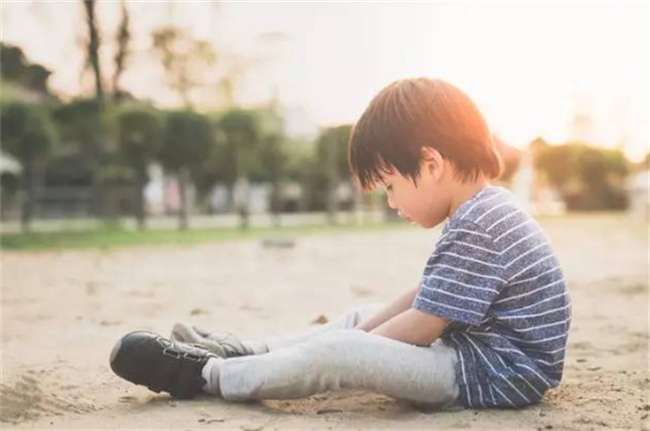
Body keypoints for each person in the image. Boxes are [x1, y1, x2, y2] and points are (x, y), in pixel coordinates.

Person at [110, 78, 571, 410]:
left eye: (390, 185)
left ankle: (207, 375)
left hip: (489, 375)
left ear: (430, 164)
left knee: (342, 350)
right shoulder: (483, 209)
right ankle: (247, 351)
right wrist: (360, 331)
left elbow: (425, 324)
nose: (391, 202)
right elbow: (427, 295)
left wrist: (354, 349)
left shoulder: (482, 221)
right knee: (355, 322)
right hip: (478, 357)